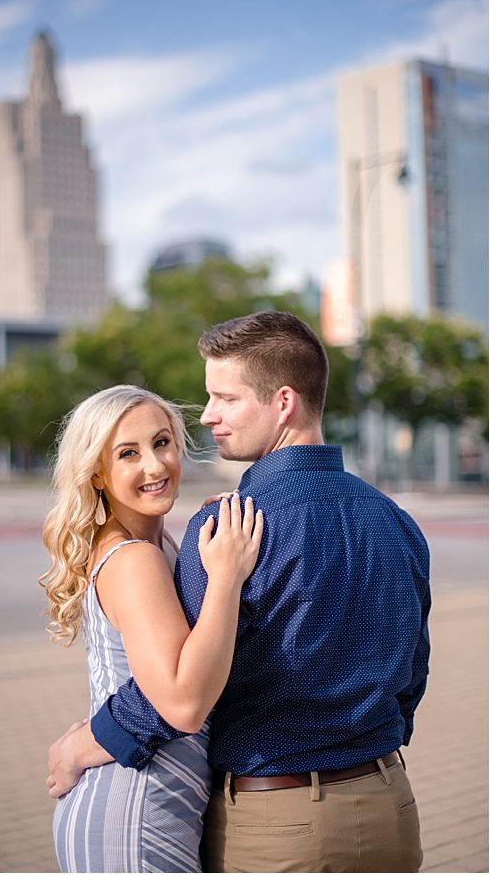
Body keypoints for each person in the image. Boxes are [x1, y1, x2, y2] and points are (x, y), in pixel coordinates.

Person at [46, 311, 430, 872]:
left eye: (225, 398)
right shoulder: (396, 521)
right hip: (392, 807)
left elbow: (176, 693)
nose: (208, 416)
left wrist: (84, 743)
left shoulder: (229, 534)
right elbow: (413, 671)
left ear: (282, 403)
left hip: (278, 820)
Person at [39, 385, 262, 871]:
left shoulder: (157, 546)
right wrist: (225, 577)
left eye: (162, 443)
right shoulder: (134, 559)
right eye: (128, 454)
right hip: (136, 810)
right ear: (97, 474)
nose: (155, 466)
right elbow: (181, 703)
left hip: (151, 799)